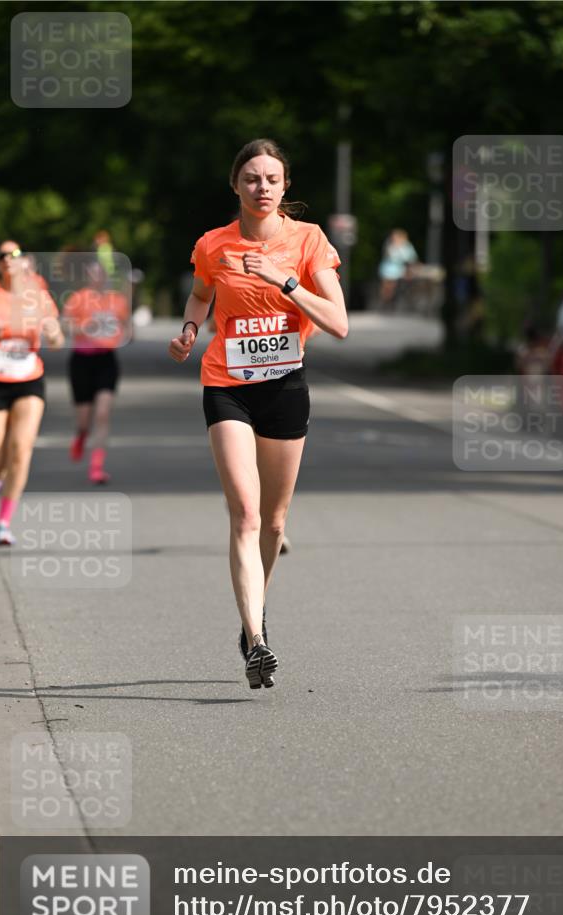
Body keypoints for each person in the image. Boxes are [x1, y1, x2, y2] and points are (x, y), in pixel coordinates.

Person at [169, 138, 347, 689]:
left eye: (271, 178)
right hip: (227, 386)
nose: (262, 187)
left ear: (285, 186)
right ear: (235, 185)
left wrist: (283, 280)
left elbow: (338, 323)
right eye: (251, 178)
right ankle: (258, 641)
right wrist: (191, 330)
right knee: (245, 513)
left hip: (286, 388)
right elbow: (201, 294)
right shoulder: (214, 245)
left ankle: (252, 623)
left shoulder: (308, 241)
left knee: (274, 520)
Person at [0, 241, 64, 543]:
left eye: (14, 254)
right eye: (3, 255)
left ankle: (3, 522)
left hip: (29, 378)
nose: (9, 259)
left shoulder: (37, 297)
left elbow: (55, 338)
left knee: (20, 450)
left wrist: (53, 332)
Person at [63, 260, 130, 483]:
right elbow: (64, 326)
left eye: (100, 274)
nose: (97, 278)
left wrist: (123, 335)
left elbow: (127, 327)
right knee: (84, 420)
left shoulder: (116, 300)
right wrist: (85, 327)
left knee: (102, 414)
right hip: (81, 361)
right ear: (87, 277)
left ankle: (96, 468)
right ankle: (81, 435)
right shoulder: (77, 298)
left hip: (106, 360)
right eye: (93, 274)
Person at [378, 228, 418, 309]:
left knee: (397, 286)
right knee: (387, 286)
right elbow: (390, 256)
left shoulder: (407, 246)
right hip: (388, 270)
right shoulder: (390, 245)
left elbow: (411, 258)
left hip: (401, 271)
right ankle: (386, 302)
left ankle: (392, 302)